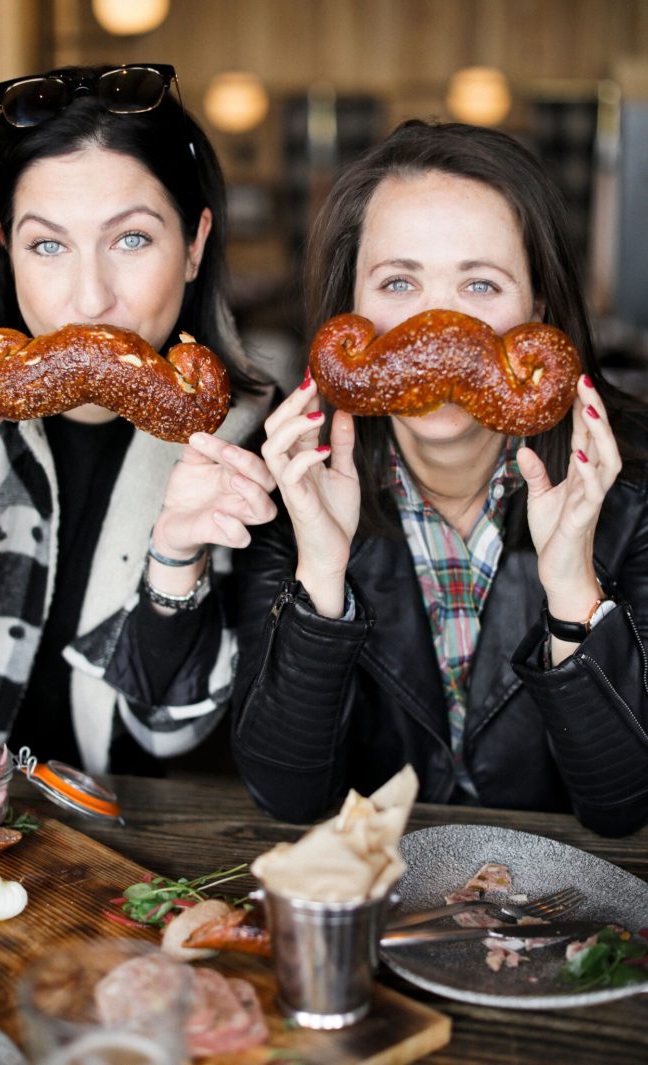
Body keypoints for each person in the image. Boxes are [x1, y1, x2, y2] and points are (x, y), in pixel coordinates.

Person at [225, 119, 648, 836]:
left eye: (480, 284)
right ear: (349, 313)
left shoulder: (630, 491)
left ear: (537, 309)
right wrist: (321, 571)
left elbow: (624, 806)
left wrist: (574, 585)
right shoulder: (292, 482)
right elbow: (287, 796)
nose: (439, 332)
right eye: (399, 281)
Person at [0, 64, 277, 775]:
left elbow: (167, 736)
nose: (90, 298)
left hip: (112, 862)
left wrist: (176, 560)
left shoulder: (248, 447)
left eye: (131, 240)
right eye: (48, 245)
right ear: (6, 246)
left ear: (193, 246)